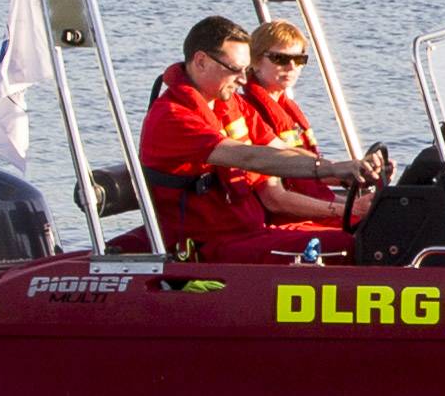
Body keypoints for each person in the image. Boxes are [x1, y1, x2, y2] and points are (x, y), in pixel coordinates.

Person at [138, 16, 376, 263]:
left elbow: (280, 148)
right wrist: (330, 169)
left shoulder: (230, 104)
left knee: (370, 231)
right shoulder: (173, 117)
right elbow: (249, 156)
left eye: (245, 69)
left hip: (251, 231)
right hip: (210, 246)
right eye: (234, 70)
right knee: (355, 245)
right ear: (201, 61)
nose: (243, 79)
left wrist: (347, 171)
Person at [238, 20, 338, 223]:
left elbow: (306, 172)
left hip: (308, 206)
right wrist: (350, 209)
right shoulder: (251, 113)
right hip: (284, 220)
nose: (291, 66)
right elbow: (275, 199)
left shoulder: (286, 108)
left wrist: (354, 174)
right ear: (255, 61)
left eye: (299, 59)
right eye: (280, 58)